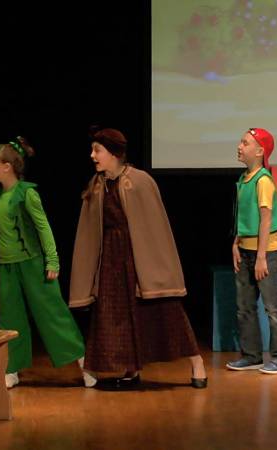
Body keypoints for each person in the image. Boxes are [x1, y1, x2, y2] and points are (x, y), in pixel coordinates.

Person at [69, 127, 207, 389]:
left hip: (140, 257)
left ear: (113, 153)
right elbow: (90, 230)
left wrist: (154, 264)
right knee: (116, 314)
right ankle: (129, 369)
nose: (92, 156)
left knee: (165, 312)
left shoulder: (139, 181)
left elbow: (154, 226)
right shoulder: (97, 185)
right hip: (111, 260)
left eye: (97, 150)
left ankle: (197, 362)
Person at [0, 137, 95, 388]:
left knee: (52, 314)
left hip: (32, 264)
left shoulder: (27, 194)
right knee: (10, 318)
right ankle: (12, 369)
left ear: (7, 167)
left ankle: (83, 362)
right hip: (7, 267)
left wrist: (52, 261)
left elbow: (44, 228)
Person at [228, 127, 277, 374]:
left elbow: (265, 220)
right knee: (244, 306)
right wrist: (236, 243)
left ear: (259, 151)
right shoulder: (245, 178)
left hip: (264, 253)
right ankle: (251, 355)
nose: (239, 146)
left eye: (245, 143)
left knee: (273, 307)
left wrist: (261, 257)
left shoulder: (263, 180)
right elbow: (244, 217)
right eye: (240, 141)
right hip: (246, 250)